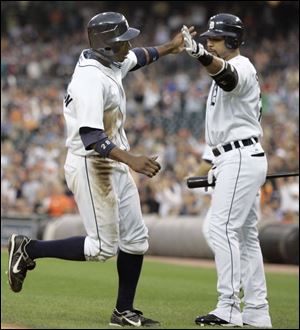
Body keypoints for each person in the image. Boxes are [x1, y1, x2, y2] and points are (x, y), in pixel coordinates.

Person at [7, 12, 193, 327]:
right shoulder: (89, 79)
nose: (128, 44)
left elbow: (139, 57)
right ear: (106, 46)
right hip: (92, 163)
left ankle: (124, 311)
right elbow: (91, 137)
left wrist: (171, 47)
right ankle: (30, 248)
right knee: (102, 248)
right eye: (122, 40)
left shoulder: (110, 60)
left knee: (136, 240)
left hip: (114, 160)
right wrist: (132, 159)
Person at [182, 13, 272, 328]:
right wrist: (210, 162)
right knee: (246, 236)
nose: (208, 43)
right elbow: (223, 126)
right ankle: (258, 311)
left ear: (232, 41)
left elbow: (228, 77)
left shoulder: (243, 67)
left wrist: (199, 54)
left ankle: (229, 307)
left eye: (215, 39)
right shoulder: (221, 73)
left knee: (220, 229)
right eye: (207, 39)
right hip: (233, 157)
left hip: (241, 156)